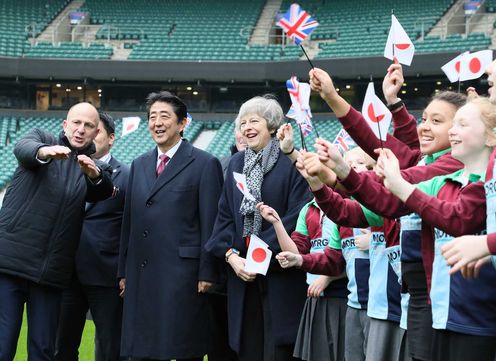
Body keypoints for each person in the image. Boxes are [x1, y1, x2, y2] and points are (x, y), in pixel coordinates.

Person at [376, 97, 496, 361]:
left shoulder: (478, 181)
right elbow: (381, 199)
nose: (453, 130)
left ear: (490, 136)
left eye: (461, 124)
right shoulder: (459, 182)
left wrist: (487, 244)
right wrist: (339, 174)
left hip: (478, 317)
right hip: (446, 312)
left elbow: (458, 218)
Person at [0, 102, 113, 361]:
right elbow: (23, 149)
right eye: (76, 123)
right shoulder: (42, 138)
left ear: (97, 133)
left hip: (50, 274)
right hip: (10, 265)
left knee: (43, 350)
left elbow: (103, 188)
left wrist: (93, 174)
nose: (81, 129)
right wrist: (45, 152)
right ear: (65, 124)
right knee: (3, 345)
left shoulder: (94, 166)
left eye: (88, 126)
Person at [118, 91, 224, 361]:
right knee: (144, 348)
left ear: (182, 123)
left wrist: (208, 272)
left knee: (183, 346)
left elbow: (211, 222)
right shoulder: (139, 164)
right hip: (141, 274)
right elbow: (129, 223)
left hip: (183, 276)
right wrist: (123, 271)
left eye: (164, 116)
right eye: (152, 117)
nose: (157, 122)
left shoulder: (204, 163)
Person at [205, 95, 312, 361]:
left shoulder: (292, 163)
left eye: (254, 120)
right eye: (243, 122)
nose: (247, 127)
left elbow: (298, 215)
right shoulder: (236, 165)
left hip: (280, 272)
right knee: (248, 348)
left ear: (272, 125)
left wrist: (258, 253)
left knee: (280, 350)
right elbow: (225, 217)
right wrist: (233, 257)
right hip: (243, 276)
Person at [55, 112, 130, 361]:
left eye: (95, 130)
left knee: (111, 348)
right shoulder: (64, 168)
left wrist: (125, 271)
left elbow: (130, 226)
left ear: (111, 138)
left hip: (106, 276)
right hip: (67, 274)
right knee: (61, 347)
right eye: (84, 127)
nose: (88, 133)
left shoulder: (128, 175)